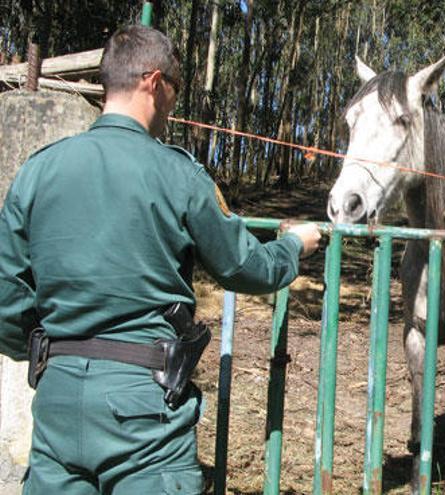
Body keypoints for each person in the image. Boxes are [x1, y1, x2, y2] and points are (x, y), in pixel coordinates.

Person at [0, 25, 321, 494]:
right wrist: (294, 247)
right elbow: (243, 267)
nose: (174, 103)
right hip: (144, 407)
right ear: (153, 82)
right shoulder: (178, 174)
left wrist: (51, 355)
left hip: (56, 399)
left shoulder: (37, 170)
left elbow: (8, 295)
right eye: (175, 88)